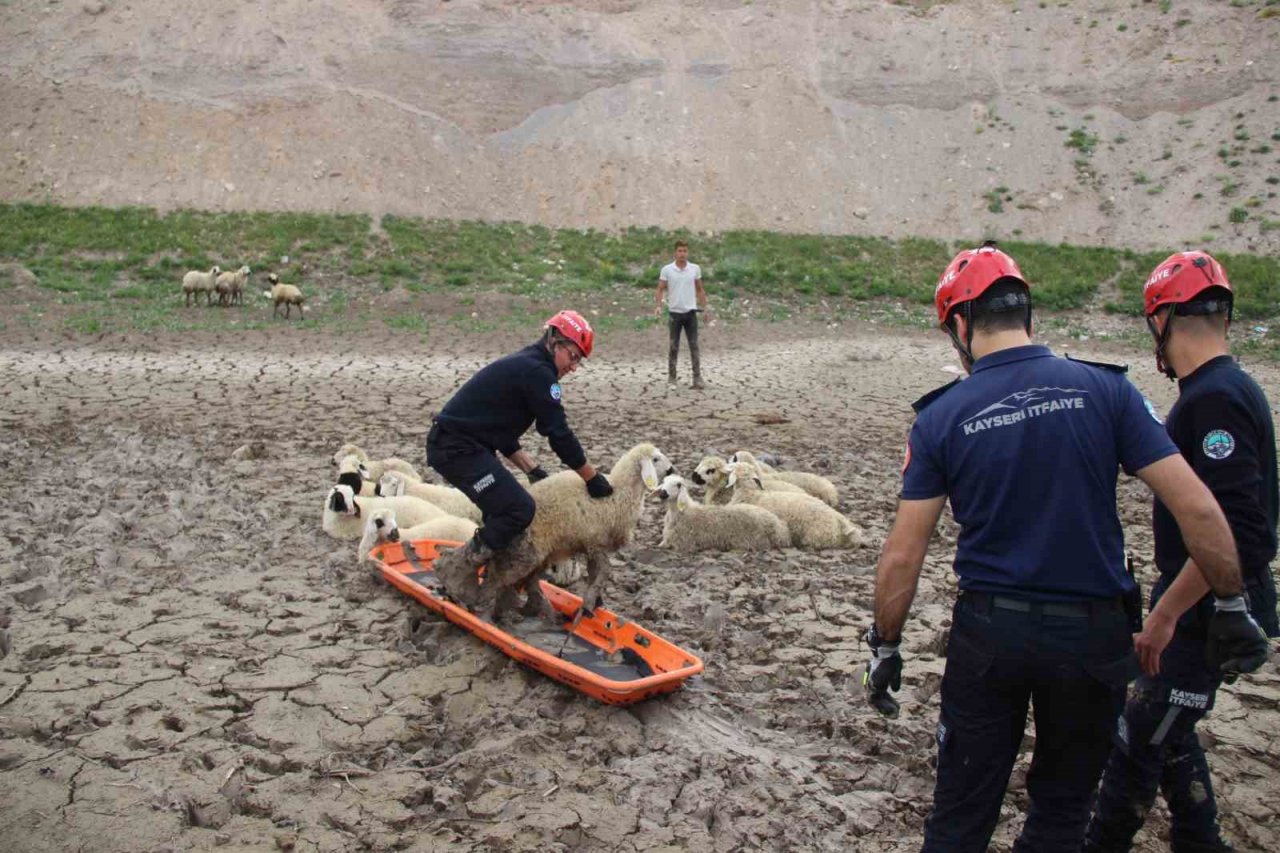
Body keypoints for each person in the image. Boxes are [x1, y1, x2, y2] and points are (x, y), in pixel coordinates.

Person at [862, 242, 1260, 853]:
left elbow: (903, 556)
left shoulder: (940, 419)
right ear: (1026, 314)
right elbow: (1200, 508)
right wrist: (1231, 604)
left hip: (991, 635)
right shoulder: (1109, 391)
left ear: (962, 325)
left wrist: (886, 644)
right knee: (1062, 814)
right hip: (1093, 639)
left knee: (960, 817)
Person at [1085, 252, 1276, 853]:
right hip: (1205, 606)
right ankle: (1202, 841)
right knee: (1169, 729)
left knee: (1139, 736)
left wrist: (1166, 613)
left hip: (1206, 614)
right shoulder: (1231, 387)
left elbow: (1241, 533)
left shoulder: (1213, 399)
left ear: (1162, 319)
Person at [426, 310, 614, 605]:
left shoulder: (530, 365)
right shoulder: (539, 373)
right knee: (518, 509)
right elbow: (558, 433)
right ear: (554, 341)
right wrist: (592, 478)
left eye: (580, 361)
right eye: (573, 356)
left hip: (468, 445)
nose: (574, 367)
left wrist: (531, 469)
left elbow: (500, 429)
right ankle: (454, 569)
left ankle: (496, 582)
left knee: (502, 509)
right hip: (455, 448)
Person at [655, 240, 709, 390]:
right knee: (673, 346)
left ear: (688, 252)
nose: (682, 254)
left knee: (694, 346)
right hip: (675, 314)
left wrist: (704, 308)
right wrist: (659, 305)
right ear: (675, 252)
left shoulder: (694, 269)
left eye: (685, 251)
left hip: (690, 313)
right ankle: (672, 378)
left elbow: (699, 289)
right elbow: (660, 289)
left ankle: (697, 378)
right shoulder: (667, 270)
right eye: (679, 251)